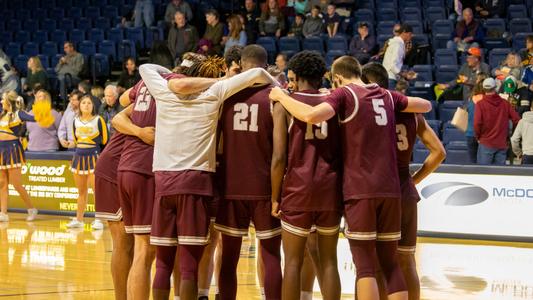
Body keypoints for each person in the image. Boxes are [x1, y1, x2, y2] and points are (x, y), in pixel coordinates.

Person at [269, 55, 432, 300]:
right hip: (382, 188)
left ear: (337, 79)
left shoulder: (342, 96)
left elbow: (310, 118)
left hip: (351, 188)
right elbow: (425, 106)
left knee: (358, 265)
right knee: (388, 263)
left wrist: (281, 96)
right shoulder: (386, 96)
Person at [140, 53, 278, 299]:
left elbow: (146, 67)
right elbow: (257, 74)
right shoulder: (216, 91)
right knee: (189, 267)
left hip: (163, 183)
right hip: (196, 184)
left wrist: (175, 76)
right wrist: (279, 87)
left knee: (162, 264)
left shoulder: (164, 91)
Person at [361, 62, 446, 300]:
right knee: (407, 260)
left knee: (377, 261)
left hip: (377, 190)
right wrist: (413, 180)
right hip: (404, 188)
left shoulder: (367, 112)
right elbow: (439, 152)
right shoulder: (412, 113)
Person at [211, 45, 282, 300]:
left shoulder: (225, 95)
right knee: (271, 254)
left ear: (241, 64)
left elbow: (216, 144)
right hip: (264, 186)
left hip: (230, 185)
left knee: (229, 258)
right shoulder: (276, 96)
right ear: (266, 63)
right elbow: (280, 154)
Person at [271, 50, 343, 300]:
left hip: (298, 189)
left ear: (296, 76)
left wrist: (274, 198)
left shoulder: (284, 103)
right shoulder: (336, 100)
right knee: (329, 261)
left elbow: (279, 157)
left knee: (292, 262)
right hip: (330, 188)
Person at [94, 90, 137, 300]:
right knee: (124, 241)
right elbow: (118, 118)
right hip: (113, 168)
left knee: (141, 244)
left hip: (132, 168)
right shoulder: (154, 94)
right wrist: (141, 132)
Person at [66, 94, 108, 229]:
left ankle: (99, 220)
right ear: (79, 105)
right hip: (78, 156)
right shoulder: (75, 120)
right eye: (83, 103)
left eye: (89, 103)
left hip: (94, 156)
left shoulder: (98, 119)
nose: (86, 105)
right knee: (81, 191)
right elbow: (75, 139)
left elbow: (105, 140)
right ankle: (79, 219)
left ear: (93, 106)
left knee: (96, 191)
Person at [0, 91, 38, 222]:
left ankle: (31, 209)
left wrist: (40, 111)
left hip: (12, 149)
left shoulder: (19, 114)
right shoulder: (2, 115)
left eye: (3, 100)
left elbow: (34, 118)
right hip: (1, 150)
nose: (1, 102)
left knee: (16, 184)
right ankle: (3, 213)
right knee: (2, 183)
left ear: (9, 101)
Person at [474, 78, 520, 165]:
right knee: (499, 175)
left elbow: (477, 123)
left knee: (483, 174)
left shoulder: (480, 104)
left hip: (486, 143)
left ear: (483, 89)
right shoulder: (505, 103)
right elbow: (517, 119)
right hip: (501, 144)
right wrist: (511, 135)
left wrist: (478, 137)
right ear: (495, 88)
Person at [465, 73, 488, 163]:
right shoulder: (487, 101)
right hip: (483, 134)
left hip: (470, 133)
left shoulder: (471, 99)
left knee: (472, 162)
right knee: (484, 162)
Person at [383, 24, 413, 89]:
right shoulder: (397, 44)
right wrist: (404, 75)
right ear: (404, 32)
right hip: (390, 78)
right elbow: (393, 65)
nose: (411, 36)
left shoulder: (397, 43)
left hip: (389, 77)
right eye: (410, 34)